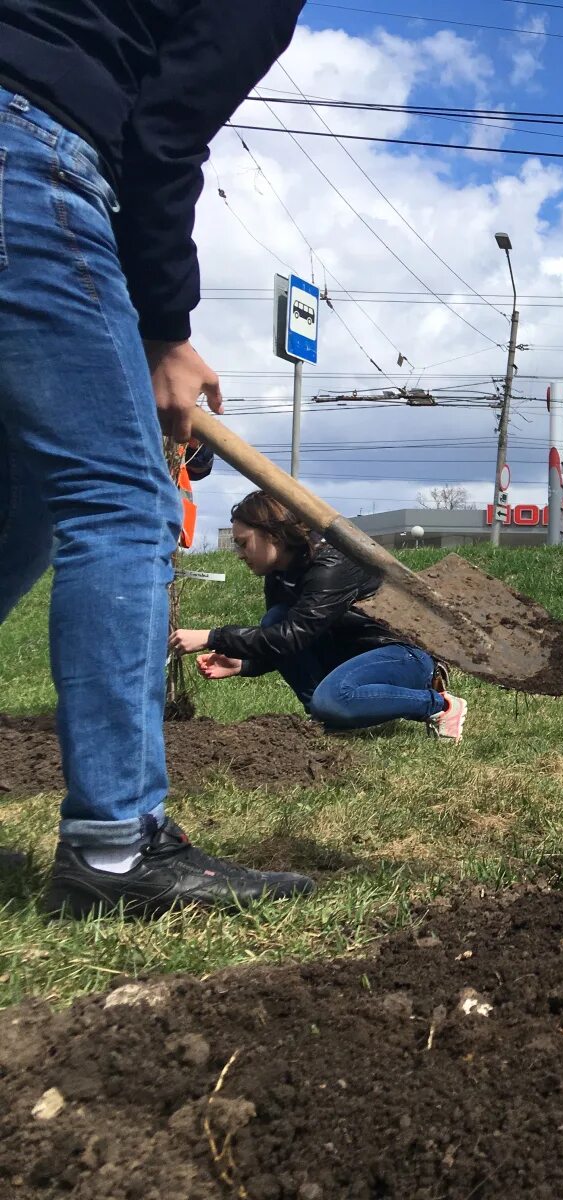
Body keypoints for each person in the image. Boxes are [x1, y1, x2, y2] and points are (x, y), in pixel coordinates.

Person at [0, 2, 315, 918]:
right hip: (26, 153)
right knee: (122, 499)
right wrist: (164, 331)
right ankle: (115, 846)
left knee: (24, 504)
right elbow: (164, 140)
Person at [170, 491, 468, 740]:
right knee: (275, 618)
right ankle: (332, 718)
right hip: (348, 655)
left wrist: (212, 637)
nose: (239, 552)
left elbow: (293, 636)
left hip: (400, 653)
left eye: (243, 542)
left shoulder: (331, 562)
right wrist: (244, 664)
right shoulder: (278, 573)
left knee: (330, 697)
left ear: (273, 535)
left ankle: (438, 704)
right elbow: (285, 640)